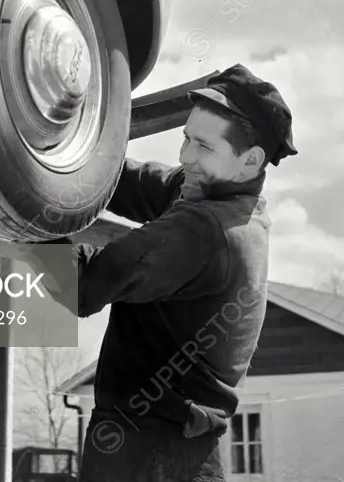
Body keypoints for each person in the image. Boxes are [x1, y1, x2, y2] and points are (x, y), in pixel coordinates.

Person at [73, 64, 298, 482]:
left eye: (203, 147)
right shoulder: (221, 197)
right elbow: (130, 182)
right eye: (186, 138)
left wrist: (14, 207)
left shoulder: (208, 230)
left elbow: (86, 283)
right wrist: (61, 156)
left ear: (250, 161)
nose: (184, 156)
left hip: (149, 452)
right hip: (171, 446)